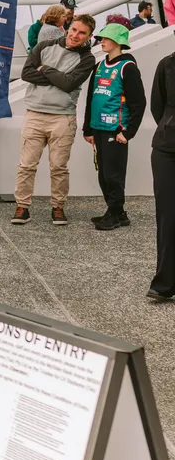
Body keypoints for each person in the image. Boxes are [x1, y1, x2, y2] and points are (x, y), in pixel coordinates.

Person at [12, 15, 96, 226]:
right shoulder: (43, 46)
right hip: (35, 114)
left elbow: (69, 84)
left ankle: (58, 207)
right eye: (74, 29)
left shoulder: (87, 59)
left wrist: (46, 70)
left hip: (63, 118)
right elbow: (26, 74)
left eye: (82, 33)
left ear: (89, 36)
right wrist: (58, 77)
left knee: (59, 166)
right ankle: (22, 207)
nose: (76, 35)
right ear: (67, 28)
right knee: (26, 165)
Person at [82, 24, 145, 231]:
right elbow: (91, 98)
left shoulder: (128, 67)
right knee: (103, 173)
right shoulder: (99, 65)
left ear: (118, 41)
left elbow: (138, 103)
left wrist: (128, 132)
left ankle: (116, 213)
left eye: (106, 38)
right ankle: (115, 210)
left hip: (115, 130)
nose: (102, 41)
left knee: (113, 174)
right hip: (98, 128)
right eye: (101, 38)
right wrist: (88, 129)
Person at [149, 46, 175, 301]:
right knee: (168, 216)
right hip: (167, 150)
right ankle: (164, 283)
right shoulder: (166, 65)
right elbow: (158, 106)